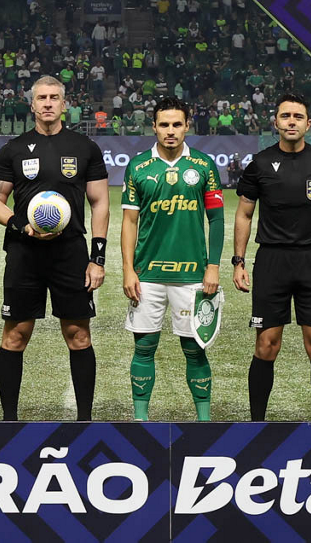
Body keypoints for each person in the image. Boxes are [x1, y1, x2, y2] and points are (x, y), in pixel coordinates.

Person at [0, 76, 110, 421]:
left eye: (54, 97)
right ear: (32, 104)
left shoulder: (85, 147)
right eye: (41, 97)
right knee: (15, 335)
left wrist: (97, 258)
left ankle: (84, 420)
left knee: (78, 334)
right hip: (24, 252)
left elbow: (100, 203)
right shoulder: (13, 149)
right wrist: (20, 224)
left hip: (70, 253)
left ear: (64, 104)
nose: (48, 103)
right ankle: (9, 421)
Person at [232, 93, 311, 422]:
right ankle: (257, 425)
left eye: (298, 117)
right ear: (276, 123)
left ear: (308, 124)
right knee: (267, 345)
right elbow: (244, 214)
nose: (292, 121)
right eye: (285, 116)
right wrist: (239, 261)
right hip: (272, 261)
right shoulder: (260, 163)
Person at [120, 98, 223, 421]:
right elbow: (129, 222)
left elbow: (217, 219)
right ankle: (141, 420)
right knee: (144, 348)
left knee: (195, 350)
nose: (170, 131)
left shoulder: (204, 165)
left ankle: (204, 422)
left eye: (177, 124)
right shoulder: (138, 166)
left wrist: (213, 266)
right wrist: (128, 270)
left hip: (193, 275)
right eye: (164, 124)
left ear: (187, 126)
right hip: (147, 274)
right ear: (154, 127)